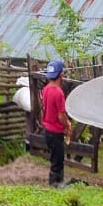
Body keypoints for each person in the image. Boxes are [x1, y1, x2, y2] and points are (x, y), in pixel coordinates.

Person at [41, 58, 71, 188]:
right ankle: (54, 184)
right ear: (61, 74)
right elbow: (61, 115)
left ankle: (58, 182)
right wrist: (67, 125)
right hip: (55, 131)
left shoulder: (46, 89)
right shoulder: (58, 93)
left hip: (47, 129)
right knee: (57, 160)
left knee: (56, 157)